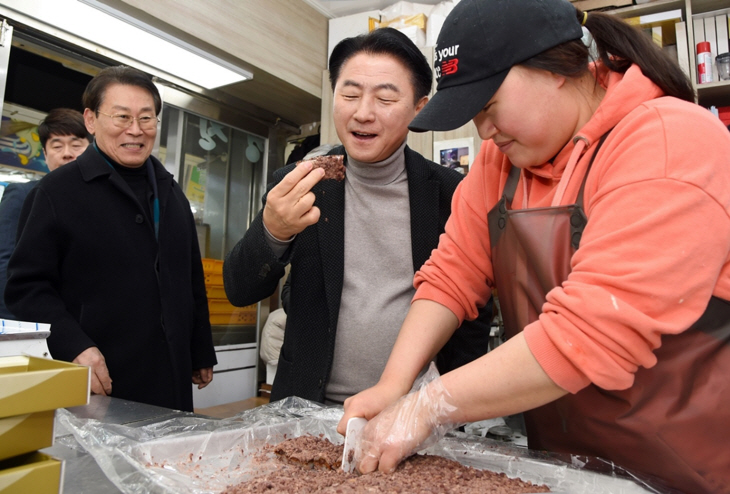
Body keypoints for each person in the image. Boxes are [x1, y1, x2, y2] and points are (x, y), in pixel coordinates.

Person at [339, 1, 730, 493]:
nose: (484, 131)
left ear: (555, 69)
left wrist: (425, 406)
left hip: (688, 470)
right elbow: (452, 273)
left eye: (489, 106)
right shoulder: (499, 165)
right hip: (568, 469)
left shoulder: (670, 141)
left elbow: (589, 333)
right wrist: (394, 385)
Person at [224, 27, 492, 405]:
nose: (362, 113)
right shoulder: (300, 182)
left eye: (385, 98)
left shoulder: (451, 192)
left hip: (412, 414)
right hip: (306, 408)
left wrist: (446, 406)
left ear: (420, 108)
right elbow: (239, 289)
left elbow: (475, 313)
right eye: (349, 95)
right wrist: (273, 231)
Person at [4, 66, 217, 412]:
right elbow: (26, 287)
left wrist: (199, 347)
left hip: (170, 377)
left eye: (146, 118)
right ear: (91, 120)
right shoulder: (56, 192)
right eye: (122, 117)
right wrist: (73, 344)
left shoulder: (172, 193)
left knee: (167, 464)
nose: (136, 130)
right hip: (100, 378)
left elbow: (190, 275)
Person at [0, 108, 91, 319]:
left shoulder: (103, 202)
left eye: (77, 145)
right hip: (35, 324)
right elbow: (5, 263)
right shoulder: (23, 194)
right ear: (45, 154)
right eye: (57, 146)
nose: (67, 152)